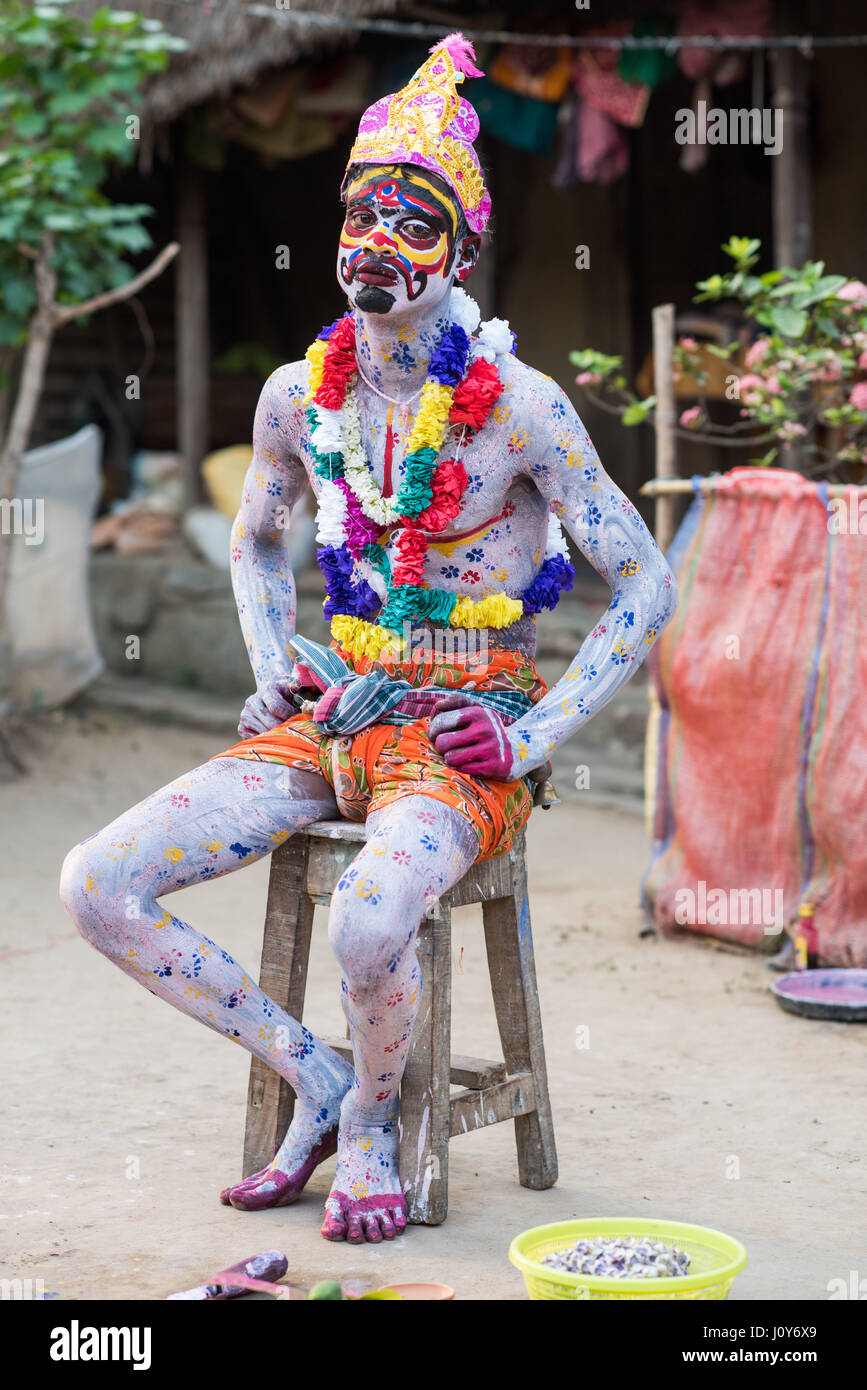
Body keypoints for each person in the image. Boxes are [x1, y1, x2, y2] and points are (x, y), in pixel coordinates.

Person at [60, 34, 676, 1245]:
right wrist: (269, 657)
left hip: (465, 740)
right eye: (361, 213)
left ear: (464, 248)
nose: (377, 240)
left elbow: (646, 583)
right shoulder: (300, 395)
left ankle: (380, 1134)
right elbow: (253, 539)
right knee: (98, 883)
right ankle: (320, 1076)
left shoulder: (525, 410)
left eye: (414, 217)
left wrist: (533, 733)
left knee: (366, 916)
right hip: (329, 715)